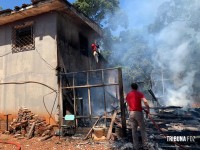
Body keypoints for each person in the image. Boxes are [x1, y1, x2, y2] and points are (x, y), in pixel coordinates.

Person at [126, 83, 150, 150]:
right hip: (138, 113)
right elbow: (145, 101)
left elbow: (128, 104)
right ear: (137, 87)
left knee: (134, 130)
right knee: (142, 129)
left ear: (131, 87)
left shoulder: (128, 94)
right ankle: (145, 145)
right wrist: (148, 108)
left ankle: (136, 146)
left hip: (131, 113)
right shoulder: (139, 93)